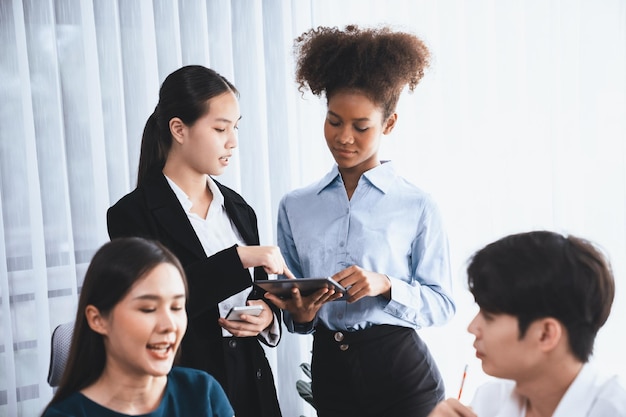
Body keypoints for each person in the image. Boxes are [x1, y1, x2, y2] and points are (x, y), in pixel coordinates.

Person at [265, 25, 455, 417]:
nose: (343, 137)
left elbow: (442, 304)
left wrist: (386, 284)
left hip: (402, 376)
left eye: (361, 126)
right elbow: (291, 301)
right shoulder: (295, 206)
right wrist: (300, 315)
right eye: (334, 121)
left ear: (389, 124)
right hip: (331, 374)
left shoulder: (417, 205)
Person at [107, 65, 291, 417]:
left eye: (235, 128)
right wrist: (237, 258)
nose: (232, 141)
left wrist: (267, 316)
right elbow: (157, 306)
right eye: (220, 128)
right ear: (179, 129)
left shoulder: (239, 208)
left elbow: (259, 295)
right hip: (185, 388)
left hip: (252, 387)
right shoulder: (132, 214)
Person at [428, 230, 626, 417]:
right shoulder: (489, 401)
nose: (472, 328)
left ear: (545, 334)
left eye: (489, 315)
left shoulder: (613, 410)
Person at [41, 237, 234, 417]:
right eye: (148, 309)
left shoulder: (203, 392)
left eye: (176, 307)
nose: (170, 326)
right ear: (98, 320)